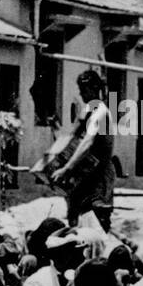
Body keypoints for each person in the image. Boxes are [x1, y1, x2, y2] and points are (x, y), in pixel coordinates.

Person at [51, 70, 115, 233]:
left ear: (94, 89)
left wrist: (67, 168)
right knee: (76, 215)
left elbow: (87, 142)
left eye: (84, 90)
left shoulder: (100, 112)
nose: (81, 94)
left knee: (97, 218)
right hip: (84, 173)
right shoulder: (88, 110)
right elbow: (73, 137)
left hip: (99, 174)